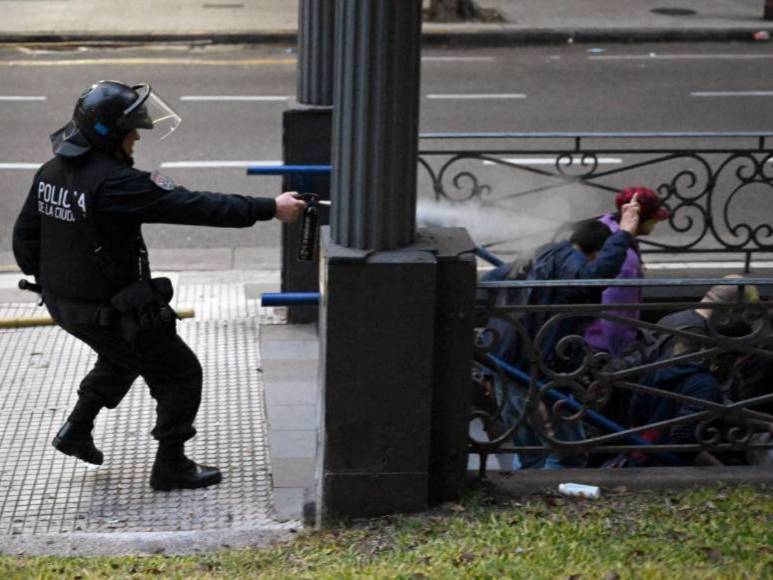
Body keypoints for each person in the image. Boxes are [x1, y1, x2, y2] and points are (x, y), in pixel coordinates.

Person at [12, 80, 306, 491]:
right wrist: (270, 208)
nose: (136, 137)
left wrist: (62, 286)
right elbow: (195, 205)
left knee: (124, 355)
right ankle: (171, 465)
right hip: (105, 310)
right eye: (131, 129)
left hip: (66, 306)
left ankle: (75, 431)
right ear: (110, 134)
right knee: (180, 373)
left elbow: (24, 238)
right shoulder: (118, 184)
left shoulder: (51, 172)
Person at [479, 196, 642, 469]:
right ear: (596, 252)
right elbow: (592, 279)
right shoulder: (571, 262)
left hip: (505, 361)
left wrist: (487, 364)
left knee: (529, 447)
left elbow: (492, 285)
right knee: (566, 449)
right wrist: (624, 234)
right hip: (532, 366)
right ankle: (552, 484)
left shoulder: (543, 253)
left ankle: (533, 483)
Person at [584, 187, 669, 358]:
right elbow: (616, 317)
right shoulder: (625, 261)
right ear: (641, 220)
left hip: (583, 335)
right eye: (654, 219)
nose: (655, 223)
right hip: (602, 348)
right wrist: (620, 360)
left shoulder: (604, 227)